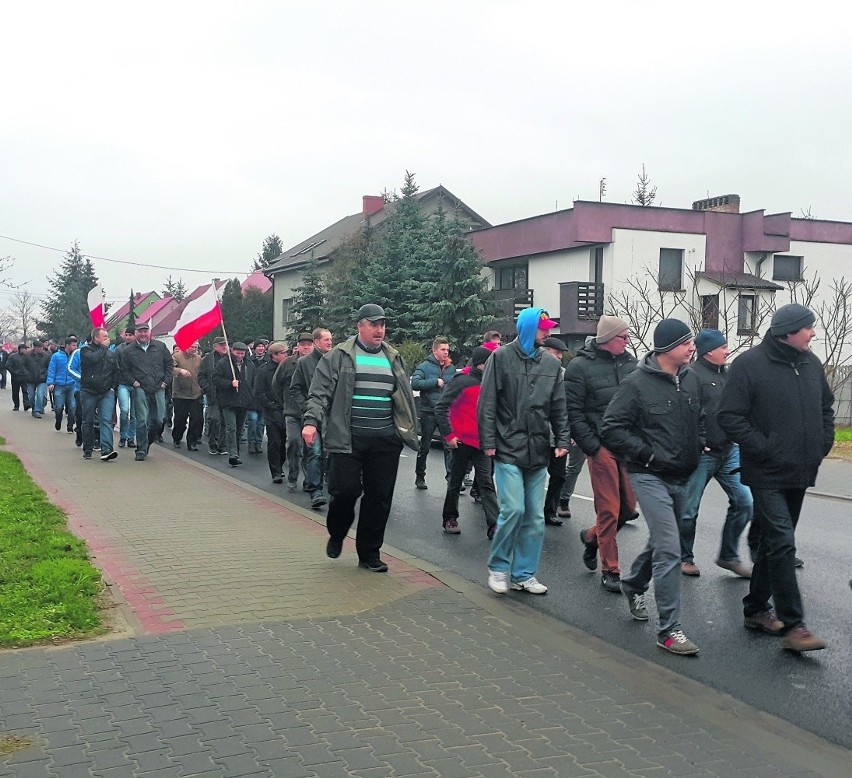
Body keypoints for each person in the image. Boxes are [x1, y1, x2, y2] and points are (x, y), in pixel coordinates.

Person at [718, 304, 834, 652]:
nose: (813, 333)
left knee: (773, 544)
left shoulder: (811, 364)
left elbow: (826, 408)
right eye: (809, 328)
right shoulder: (749, 365)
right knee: (783, 541)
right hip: (765, 470)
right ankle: (794, 625)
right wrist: (762, 447)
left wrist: (822, 443)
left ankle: (754, 609)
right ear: (789, 331)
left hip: (801, 469)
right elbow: (729, 415)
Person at [601, 319, 704, 656]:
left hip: (681, 475)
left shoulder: (691, 380)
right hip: (648, 475)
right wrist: (647, 454)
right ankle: (669, 630)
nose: (692, 348)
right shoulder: (637, 384)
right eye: (686, 342)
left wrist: (701, 443)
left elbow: (701, 420)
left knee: (662, 541)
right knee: (670, 549)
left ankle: (632, 583)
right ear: (667, 347)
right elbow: (612, 429)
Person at [303, 304, 418, 573]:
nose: (380, 330)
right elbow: (319, 394)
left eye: (382, 325)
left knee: (379, 497)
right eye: (374, 324)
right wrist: (311, 422)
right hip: (348, 438)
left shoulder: (393, 357)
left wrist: (407, 430)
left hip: (385, 439)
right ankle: (338, 531)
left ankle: (369, 553)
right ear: (360, 326)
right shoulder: (338, 356)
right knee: (344, 491)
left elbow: (403, 397)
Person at [478, 307, 570, 595]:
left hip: (538, 449)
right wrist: (489, 441)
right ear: (529, 328)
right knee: (514, 509)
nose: (548, 333)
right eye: (543, 328)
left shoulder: (551, 365)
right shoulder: (501, 358)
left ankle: (524, 574)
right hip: (507, 447)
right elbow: (488, 402)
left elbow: (559, 406)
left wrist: (563, 440)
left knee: (534, 517)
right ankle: (499, 567)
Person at [565, 315, 639, 593]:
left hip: (628, 446)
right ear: (608, 339)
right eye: (624, 336)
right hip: (601, 446)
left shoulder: (633, 365)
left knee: (628, 509)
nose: (628, 341)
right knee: (609, 508)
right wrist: (592, 446)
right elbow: (573, 411)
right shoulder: (580, 367)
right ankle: (611, 568)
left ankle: (592, 537)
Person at [679, 329, 753, 579]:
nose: (728, 350)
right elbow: (686, 414)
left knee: (745, 502)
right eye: (723, 347)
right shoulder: (692, 375)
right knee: (689, 509)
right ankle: (683, 557)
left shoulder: (727, 375)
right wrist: (697, 442)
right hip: (703, 455)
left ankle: (728, 556)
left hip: (729, 451)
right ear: (709, 350)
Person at [436, 345, 500, 538]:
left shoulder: (492, 384)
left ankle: (494, 525)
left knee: (486, 484)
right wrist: (449, 435)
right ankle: (449, 518)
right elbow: (441, 407)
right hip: (462, 442)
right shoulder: (461, 382)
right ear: (481, 365)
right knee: (455, 482)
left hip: (482, 443)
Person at [291, 328, 334, 506]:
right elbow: (295, 389)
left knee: (330, 453)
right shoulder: (304, 362)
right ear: (316, 342)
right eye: (326, 339)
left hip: (332, 416)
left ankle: (329, 486)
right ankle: (315, 491)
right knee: (315, 452)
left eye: (331, 339)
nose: (330, 342)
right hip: (313, 416)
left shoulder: (336, 361)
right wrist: (307, 409)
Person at [120, 322, 173, 462]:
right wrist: (133, 382)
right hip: (141, 388)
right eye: (140, 332)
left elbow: (169, 365)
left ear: (149, 332)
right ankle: (141, 449)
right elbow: (124, 369)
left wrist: (165, 382)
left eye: (145, 331)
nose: (143, 334)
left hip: (159, 387)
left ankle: (148, 442)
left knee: (159, 419)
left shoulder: (160, 347)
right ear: (136, 333)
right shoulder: (129, 350)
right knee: (142, 419)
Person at [411, 336, 456, 490]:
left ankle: (451, 478)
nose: (446, 352)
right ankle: (420, 476)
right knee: (425, 446)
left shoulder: (451, 368)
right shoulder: (424, 367)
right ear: (434, 350)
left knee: (449, 445)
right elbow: (415, 383)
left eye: (447, 350)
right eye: (443, 349)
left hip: (445, 413)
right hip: (428, 412)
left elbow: (456, 385)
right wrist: (435, 382)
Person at [541, 336, 571, 527]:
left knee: (559, 475)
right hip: (537, 434)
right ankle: (529, 511)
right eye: (556, 353)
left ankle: (550, 511)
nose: (559, 357)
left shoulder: (564, 374)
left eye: (561, 354)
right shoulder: (535, 371)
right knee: (533, 477)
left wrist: (569, 434)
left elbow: (568, 406)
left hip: (558, 435)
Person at [77, 327, 120, 461]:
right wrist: (103, 348)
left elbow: (116, 371)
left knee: (106, 420)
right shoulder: (86, 350)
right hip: (89, 391)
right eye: (104, 336)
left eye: (107, 336)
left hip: (106, 391)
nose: (107, 339)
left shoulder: (110, 354)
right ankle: (88, 448)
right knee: (88, 420)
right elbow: (93, 360)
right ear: (96, 338)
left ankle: (107, 449)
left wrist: (113, 387)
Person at [277, 333, 313, 491]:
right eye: (303, 344)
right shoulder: (287, 363)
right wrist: (284, 402)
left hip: (311, 412)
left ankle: (308, 479)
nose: (306, 347)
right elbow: (276, 384)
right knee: (293, 442)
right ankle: (292, 474)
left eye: (309, 344)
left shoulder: (319, 362)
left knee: (310, 448)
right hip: (292, 412)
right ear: (297, 346)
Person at [214, 341, 256, 467]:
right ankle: (232, 454)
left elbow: (252, 382)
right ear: (232, 351)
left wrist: (250, 396)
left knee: (239, 429)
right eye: (238, 353)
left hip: (243, 401)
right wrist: (229, 383)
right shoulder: (223, 363)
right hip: (228, 401)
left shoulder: (249, 365)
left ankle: (236, 452)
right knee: (231, 427)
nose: (240, 356)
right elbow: (215, 379)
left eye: (242, 353)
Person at [253, 341, 289, 483]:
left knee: (285, 442)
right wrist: (270, 405)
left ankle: (280, 465)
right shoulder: (264, 370)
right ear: (274, 355)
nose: (286, 355)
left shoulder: (289, 368)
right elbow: (259, 392)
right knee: (274, 442)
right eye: (283, 353)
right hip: (272, 411)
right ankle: (275, 471)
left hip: (287, 410)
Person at [171, 341, 204, 451]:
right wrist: (180, 370)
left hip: (196, 393)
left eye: (196, 347)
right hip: (180, 394)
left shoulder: (199, 358)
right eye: (191, 346)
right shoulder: (176, 356)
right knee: (180, 419)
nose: (194, 349)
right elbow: (170, 369)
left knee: (196, 419)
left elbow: (203, 373)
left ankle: (192, 442)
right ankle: (177, 438)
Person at [199, 337, 229, 455]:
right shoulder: (208, 359)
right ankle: (213, 443)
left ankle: (222, 445)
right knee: (214, 419)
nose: (224, 347)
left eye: (225, 344)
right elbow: (201, 376)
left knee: (225, 420)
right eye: (221, 345)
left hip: (227, 394)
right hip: (214, 393)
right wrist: (206, 387)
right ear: (215, 346)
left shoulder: (230, 359)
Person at [46, 336, 78, 433]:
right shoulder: (56, 356)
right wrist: (50, 382)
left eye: (76, 345)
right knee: (59, 406)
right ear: (67, 345)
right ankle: (58, 420)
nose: (76, 347)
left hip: (72, 384)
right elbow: (51, 369)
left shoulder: (76, 356)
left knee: (73, 406)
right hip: (59, 384)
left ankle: (70, 425)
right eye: (73, 345)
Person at [114, 327, 138, 448]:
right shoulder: (119, 349)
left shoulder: (139, 348)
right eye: (126, 335)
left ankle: (131, 438)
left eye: (130, 335)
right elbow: (116, 366)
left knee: (134, 413)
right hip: (123, 383)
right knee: (124, 410)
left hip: (137, 384)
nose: (128, 337)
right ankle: (123, 436)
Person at [23, 339, 50, 418]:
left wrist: (45, 374)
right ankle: (34, 408)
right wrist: (27, 374)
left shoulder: (46, 356)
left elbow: (49, 367)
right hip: (30, 379)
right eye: (39, 347)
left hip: (42, 379)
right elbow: (22, 366)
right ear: (35, 348)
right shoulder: (27, 355)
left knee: (40, 394)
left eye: (42, 347)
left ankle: (37, 410)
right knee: (31, 396)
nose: (41, 349)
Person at [7, 343, 30, 411]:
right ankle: (16, 405)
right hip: (15, 377)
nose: (25, 350)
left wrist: (28, 373)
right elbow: (8, 365)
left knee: (25, 391)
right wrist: (14, 372)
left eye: (26, 349)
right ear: (20, 349)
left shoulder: (28, 357)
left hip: (25, 377)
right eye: (24, 349)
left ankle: (26, 404)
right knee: (15, 392)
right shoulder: (13, 356)